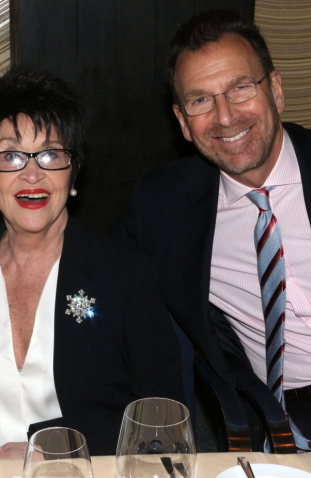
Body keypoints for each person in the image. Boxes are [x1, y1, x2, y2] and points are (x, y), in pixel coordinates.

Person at [0, 68, 184, 458]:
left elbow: (162, 416)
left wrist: (53, 449)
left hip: (79, 468)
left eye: (50, 154)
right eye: (10, 155)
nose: (32, 174)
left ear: (73, 171)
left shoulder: (126, 275)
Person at [117, 10, 311, 450]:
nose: (225, 117)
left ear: (276, 90)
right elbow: (97, 273)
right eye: (201, 100)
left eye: (240, 88)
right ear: (183, 122)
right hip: (283, 422)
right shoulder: (165, 205)